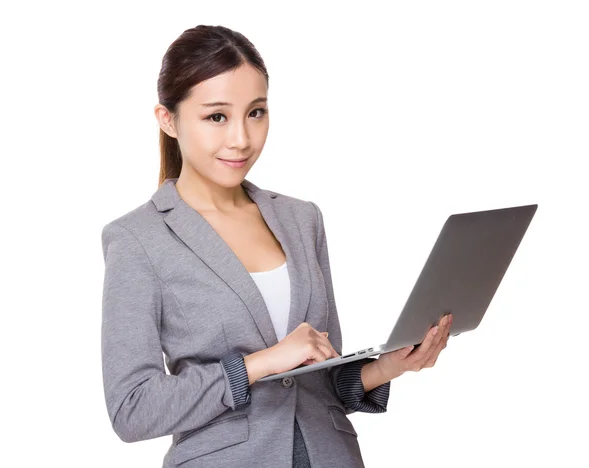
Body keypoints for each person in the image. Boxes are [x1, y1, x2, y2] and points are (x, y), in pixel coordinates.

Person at [100, 24, 452, 468]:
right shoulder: (137, 239)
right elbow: (133, 410)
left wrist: (392, 365)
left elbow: (321, 380)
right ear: (168, 120)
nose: (242, 139)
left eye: (256, 112)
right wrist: (259, 364)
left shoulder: (301, 219)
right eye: (216, 117)